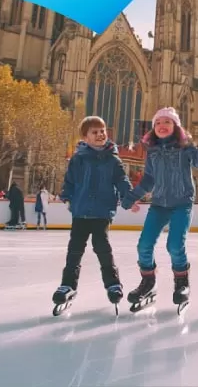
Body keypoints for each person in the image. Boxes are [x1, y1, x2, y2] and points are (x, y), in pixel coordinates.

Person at [120, 107, 198, 312]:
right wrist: (130, 198)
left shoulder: (185, 147)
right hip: (159, 205)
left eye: (167, 122)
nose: (162, 126)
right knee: (144, 246)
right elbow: (148, 180)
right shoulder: (153, 151)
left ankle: (182, 283)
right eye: (157, 123)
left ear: (176, 127)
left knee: (174, 246)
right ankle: (148, 283)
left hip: (182, 203)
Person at [52, 116, 137, 312]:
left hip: (101, 211)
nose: (100, 135)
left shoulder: (113, 159)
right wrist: (66, 195)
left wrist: (129, 197)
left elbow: (122, 181)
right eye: (94, 132)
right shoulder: (78, 158)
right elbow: (70, 180)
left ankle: (113, 284)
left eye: (102, 131)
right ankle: (68, 285)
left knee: (103, 249)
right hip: (81, 211)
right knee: (74, 251)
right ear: (85, 136)